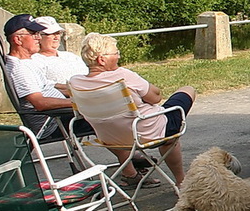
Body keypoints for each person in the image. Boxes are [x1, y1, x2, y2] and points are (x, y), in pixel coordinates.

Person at [70, 33, 196, 187]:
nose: (119, 56)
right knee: (187, 91)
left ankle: (131, 173)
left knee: (122, 122)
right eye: (116, 53)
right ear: (102, 59)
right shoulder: (122, 75)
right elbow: (156, 97)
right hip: (148, 133)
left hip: (110, 138)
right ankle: (181, 180)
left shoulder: (75, 82)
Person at [2, 13, 87, 140]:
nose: (38, 38)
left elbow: (51, 86)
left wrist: (87, 91)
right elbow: (40, 103)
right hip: (54, 124)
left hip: (61, 117)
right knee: (111, 117)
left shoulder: (27, 62)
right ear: (18, 40)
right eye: (33, 34)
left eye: (39, 34)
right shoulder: (19, 68)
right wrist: (79, 102)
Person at [29, 16, 88, 87]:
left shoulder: (71, 56)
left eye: (58, 33)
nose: (56, 37)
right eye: (51, 34)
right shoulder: (34, 61)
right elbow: (42, 85)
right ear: (38, 36)